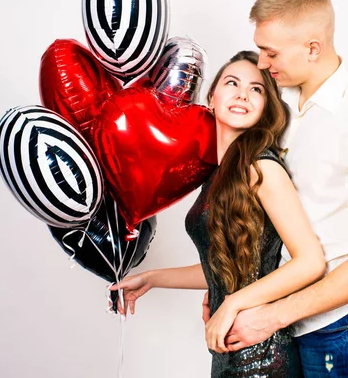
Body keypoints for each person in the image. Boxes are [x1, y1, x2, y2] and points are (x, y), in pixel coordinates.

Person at [213, 0, 348, 377]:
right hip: (284, 319)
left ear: (312, 48)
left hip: (340, 324)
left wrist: (269, 316)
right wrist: (225, 289)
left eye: (271, 53)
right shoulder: (280, 104)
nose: (263, 64)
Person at [110, 50, 326, 377]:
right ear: (211, 98)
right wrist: (153, 278)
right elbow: (225, 267)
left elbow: (310, 261)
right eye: (232, 82)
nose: (242, 93)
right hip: (228, 351)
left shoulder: (261, 168)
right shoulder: (217, 174)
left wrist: (231, 304)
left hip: (264, 355)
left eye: (257, 89)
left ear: (266, 107)